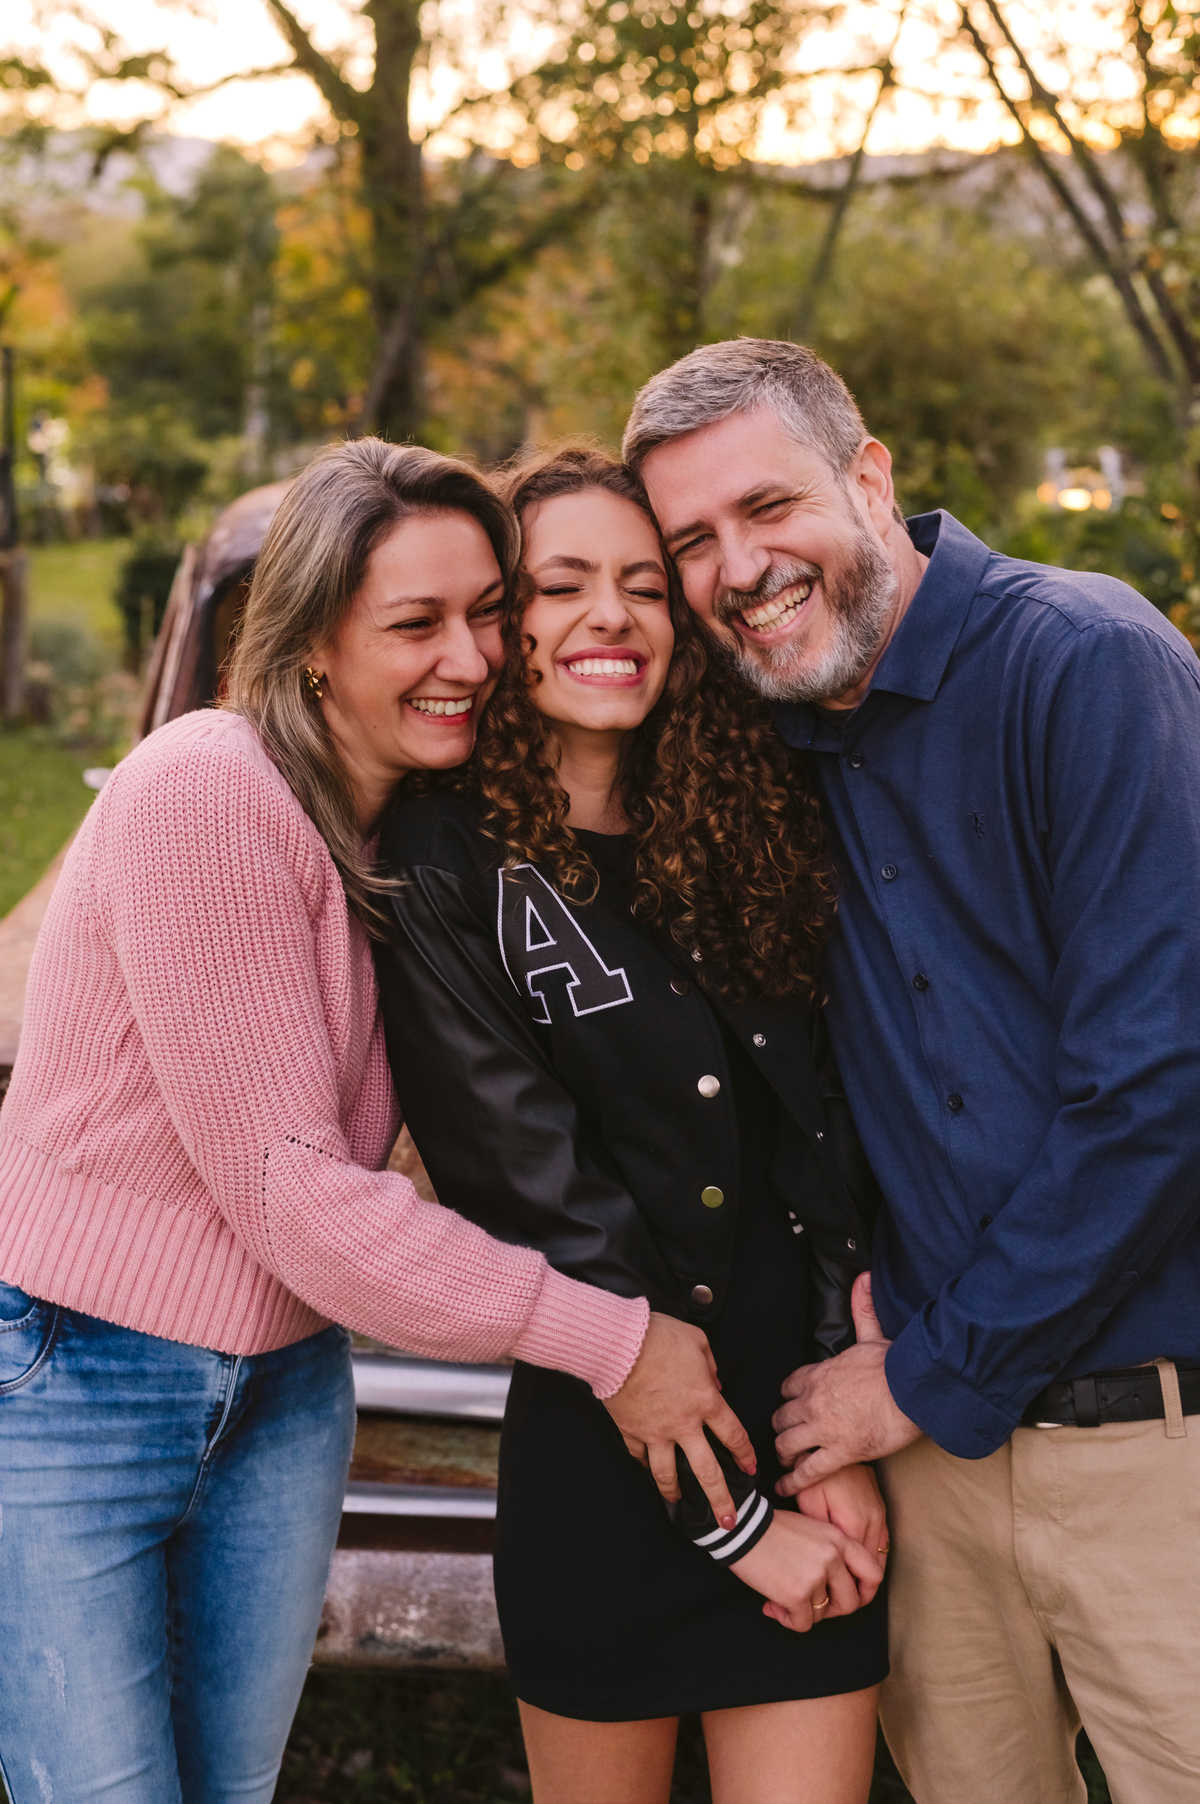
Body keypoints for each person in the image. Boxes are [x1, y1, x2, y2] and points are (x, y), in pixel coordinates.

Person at [0, 439, 752, 1804]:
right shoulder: (213, 790)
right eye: (415, 624)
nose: (466, 657)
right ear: (310, 651)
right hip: (81, 1386)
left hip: (282, 1391)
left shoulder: (409, 833)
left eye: (483, 611)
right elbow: (299, 1196)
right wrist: (619, 1341)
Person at [622, 337, 1200, 1803]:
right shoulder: (756, 745)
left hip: (1155, 1450)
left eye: (768, 508)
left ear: (869, 478)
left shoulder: (1087, 663)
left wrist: (928, 1379)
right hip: (926, 1468)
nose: (737, 567)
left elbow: (1155, 1087)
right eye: (691, 541)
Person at [373, 446, 888, 1804]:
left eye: (644, 585)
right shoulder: (439, 866)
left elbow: (825, 1149)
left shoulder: (751, 824)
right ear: (506, 627)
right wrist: (729, 1530)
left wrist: (839, 1432)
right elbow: (535, 1193)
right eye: (562, 584)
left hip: (798, 1431)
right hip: (613, 1463)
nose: (611, 615)